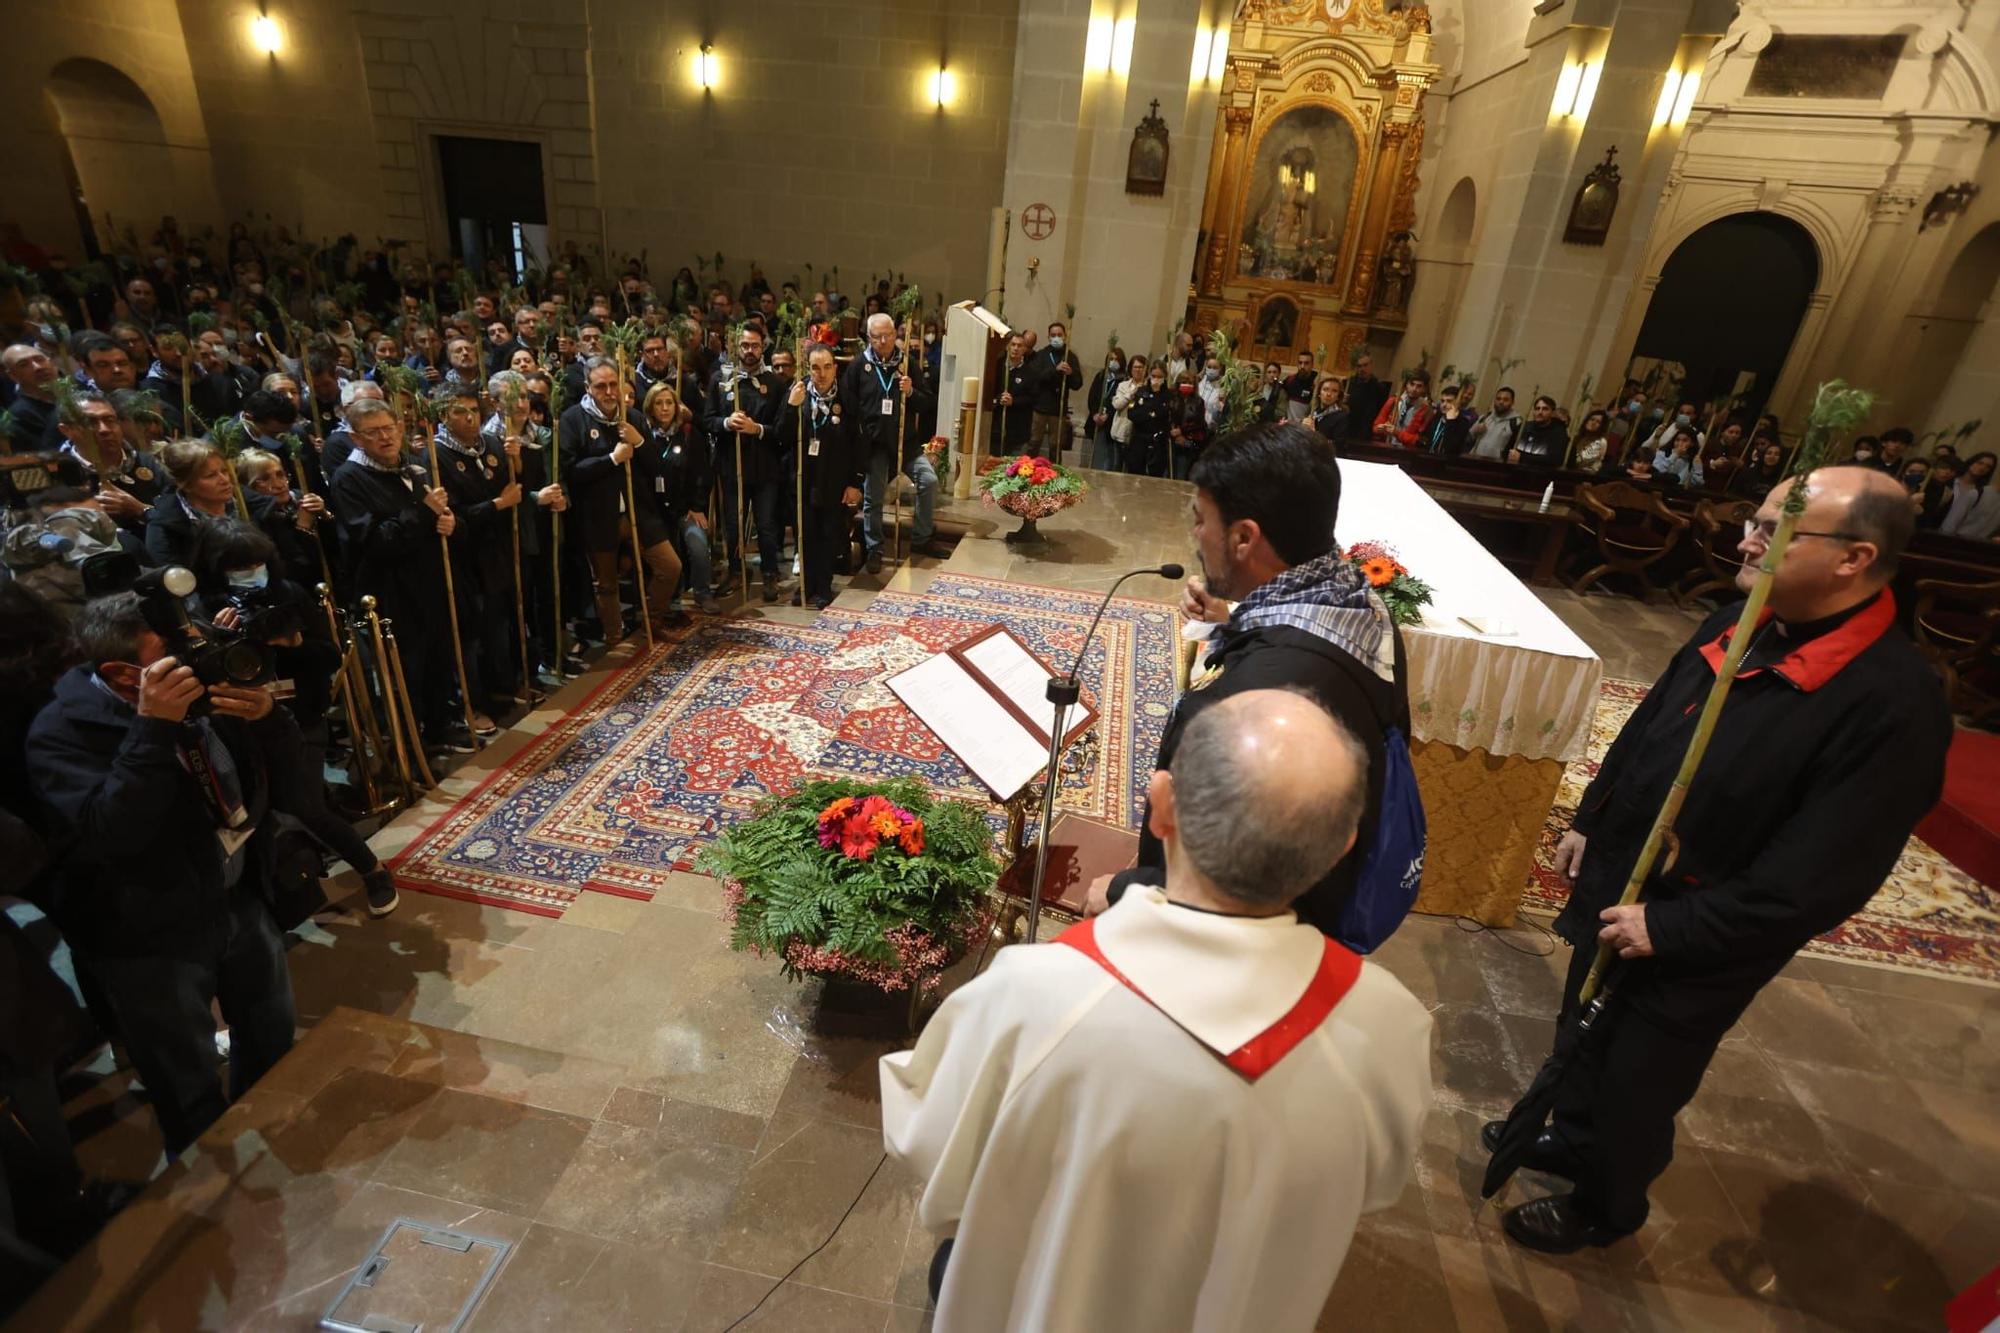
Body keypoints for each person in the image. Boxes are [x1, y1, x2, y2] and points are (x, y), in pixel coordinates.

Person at [1497, 466, 1949, 1254]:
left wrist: (1678, 926)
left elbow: (1826, 872)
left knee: (1641, 1073)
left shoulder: (1894, 703)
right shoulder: (1740, 616)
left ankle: (1607, 1202)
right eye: (1757, 517)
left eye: (1776, 529)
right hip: (1628, 883)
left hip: (1701, 932)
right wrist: (1594, 816)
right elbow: (1651, 726)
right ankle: (1569, 1136)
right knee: (1584, 1025)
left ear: (1854, 557)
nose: (1745, 537)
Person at [884, 688, 1432, 1330]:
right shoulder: (1389, 1026)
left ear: (1161, 808)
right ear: (1344, 846)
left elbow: (930, 1146)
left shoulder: (1031, 995)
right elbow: (1375, 1185)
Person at [1091, 422, 1406, 942]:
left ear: (1243, 537)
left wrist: (1124, 891)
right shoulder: (1360, 604)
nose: (1195, 537)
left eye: (1200, 521)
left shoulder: (1247, 707)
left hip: (1242, 939)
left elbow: (1213, 872)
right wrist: (1232, 618)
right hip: (1328, 893)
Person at [25, 593, 304, 1159]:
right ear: (126, 675)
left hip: (234, 894)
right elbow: (112, 832)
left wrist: (269, 719)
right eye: (173, 653)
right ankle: (217, 1195)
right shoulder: (59, 732)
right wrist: (154, 728)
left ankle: (274, 1143)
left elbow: (287, 782)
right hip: (148, 934)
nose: (195, 657)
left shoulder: (204, 691)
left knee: (273, 1037)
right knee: (186, 1079)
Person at [328, 397, 471, 754]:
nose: (385, 437)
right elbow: (373, 540)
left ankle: (441, 727)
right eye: (373, 432)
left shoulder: (412, 465)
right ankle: (412, 741)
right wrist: (423, 513)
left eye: (389, 428)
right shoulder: (348, 479)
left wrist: (450, 522)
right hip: (390, 591)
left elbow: (436, 514)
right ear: (357, 439)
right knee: (407, 669)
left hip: (430, 581)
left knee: (439, 659)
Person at [564, 358, 687, 633]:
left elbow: (656, 465)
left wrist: (639, 441)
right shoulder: (573, 419)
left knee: (670, 566)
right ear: (588, 388)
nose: (609, 392)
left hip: (638, 511)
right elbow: (570, 471)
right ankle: (614, 638)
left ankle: (651, 620)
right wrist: (612, 458)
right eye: (600, 386)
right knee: (606, 584)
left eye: (613, 385)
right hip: (598, 516)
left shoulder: (632, 417)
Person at [430, 383, 523, 722]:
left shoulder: (492, 443)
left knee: (500, 626)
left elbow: (513, 486)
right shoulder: (435, 454)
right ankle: (473, 702)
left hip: (495, 552)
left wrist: (516, 463)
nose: (469, 418)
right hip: (463, 558)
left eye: (474, 411)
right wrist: (497, 505)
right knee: (471, 635)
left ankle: (505, 687)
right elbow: (453, 514)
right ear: (444, 415)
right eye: (459, 412)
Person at [842, 314, 944, 575]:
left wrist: (910, 391)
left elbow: (927, 403)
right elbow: (848, 406)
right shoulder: (858, 366)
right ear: (869, 337)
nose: (884, 341)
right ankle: (875, 548)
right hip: (874, 445)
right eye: (877, 337)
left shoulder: (907, 364)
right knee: (873, 498)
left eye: (888, 335)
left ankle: (921, 538)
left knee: (929, 481)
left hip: (905, 441)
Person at [703, 326, 786, 598]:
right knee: (733, 523)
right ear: (736, 347)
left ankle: (770, 573)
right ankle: (736, 571)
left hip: (765, 468)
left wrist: (756, 429)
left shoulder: (774, 383)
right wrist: (726, 423)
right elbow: (708, 421)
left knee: (766, 524)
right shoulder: (721, 379)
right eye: (745, 346)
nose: (750, 351)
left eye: (755, 346)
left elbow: (781, 429)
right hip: (731, 465)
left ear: (763, 347)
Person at [781, 345, 864, 610]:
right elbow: (781, 436)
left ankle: (824, 586)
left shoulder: (848, 400)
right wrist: (790, 407)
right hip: (803, 476)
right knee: (804, 533)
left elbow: (858, 444)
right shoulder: (798, 395)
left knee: (827, 533)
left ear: (835, 368)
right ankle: (806, 584)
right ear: (808, 369)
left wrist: (855, 482)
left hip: (834, 477)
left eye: (827, 366)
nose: (822, 373)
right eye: (815, 367)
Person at [638, 382, 717, 616]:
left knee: (698, 545)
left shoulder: (688, 434)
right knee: (670, 558)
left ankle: (703, 592)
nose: (664, 408)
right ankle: (672, 600)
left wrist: (697, 506)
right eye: (659, 403)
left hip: (685, 508)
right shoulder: (644, 437)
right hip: (656, 511)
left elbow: (702, 472)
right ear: (650, 408)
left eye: (669, 403)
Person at [53, 389, 162, 542]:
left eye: (110, 420)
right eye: (90, 422)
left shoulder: (152, 463)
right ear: (66, 430)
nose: (104, 430)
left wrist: (140, 509)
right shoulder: (60, 479)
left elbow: (183, 518)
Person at [145, 439, 237, 569]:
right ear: (186, 485)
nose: (224, 480)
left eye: (224, 471)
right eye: (211, 476)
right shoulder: (165, 529)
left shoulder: (250, 505)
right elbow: (176, 583)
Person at [1027, 322, 1081, 457]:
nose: (1056, 338)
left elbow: (1077, 384)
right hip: (1040, 407)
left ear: (1065, 336)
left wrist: (1071, 373)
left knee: (1055, 445)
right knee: (1034, 442)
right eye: (1053, 335)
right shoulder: (1041, 355)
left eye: (1059, 335)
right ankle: (1027, 470)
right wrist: (1054, 370)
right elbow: (1035, 377)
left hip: (1058, 410)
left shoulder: (1070, 356)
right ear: (1049, 337)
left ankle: (1054, 473)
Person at [1125, 362, 1172, 478]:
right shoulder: (1141, 392)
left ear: (1165, 377)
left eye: (1159, 377)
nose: (1156, 380)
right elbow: (1132, 414)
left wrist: (1155, 401)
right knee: (1134, 472)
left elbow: (1164, 414)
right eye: (1154, 376)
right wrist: (1150, 414)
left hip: (1158, 442)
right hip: (1140, 439)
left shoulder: (1168, 395)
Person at [1940, 450, 2000, 539]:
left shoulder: (1981, 492)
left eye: (1988, 467)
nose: (1982, 467)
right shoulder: (1949, 481)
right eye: (1980, 463)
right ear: (1972, 461)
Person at [990, 333, 1035, 453]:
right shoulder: (997, 366)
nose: (1016, 348)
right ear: (1007, 347)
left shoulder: (1030, 372)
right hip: (996, 427)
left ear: (1025, 349)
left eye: (1020, 346)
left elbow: (1032, 398)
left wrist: (1013, 401)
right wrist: (999, 398)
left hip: (1017, 428)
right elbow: (989, 391)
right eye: (1013, 344)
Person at [1084, 347, 1125, 472]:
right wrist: (1095, 413)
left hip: (1111, 423)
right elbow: (1092, 396)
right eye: (1111, 359)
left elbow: (1120, 401)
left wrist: (1108, 416)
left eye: (1116, 359)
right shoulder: (1101, 376)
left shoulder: (1123, 379)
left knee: (1108, 457)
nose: (1113, 362)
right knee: (1096, 454)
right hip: (1096, 420)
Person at [1371, 370, 1431, 449]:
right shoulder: (1393, 401)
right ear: (1406, 384)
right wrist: (1380, 428)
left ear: (1424, 389)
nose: (1414, 389)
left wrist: (1397, 433)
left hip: (1406, 452)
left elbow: (1418, 440)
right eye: (1412, 384)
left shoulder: (1426, 410)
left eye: (1419, 386)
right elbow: (1375, 426)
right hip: (1385, 447)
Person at [1167, 370, 1209, 480]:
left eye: (1190, 382)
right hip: (1170, 441)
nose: (1187, 384)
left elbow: (1199, 422)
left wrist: (1182, 431)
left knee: (1181, 475)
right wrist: (1173, 432)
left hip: (1187, 442)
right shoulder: (1172, 398)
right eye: (1184, 381)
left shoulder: (1198, 402)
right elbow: (1168, 417)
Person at [1510, 395, 1568, 468]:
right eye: (1537, 409)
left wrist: (1522, 457)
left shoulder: (1558, 432)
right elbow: (1508, 450)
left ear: (1552, 413)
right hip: (1515, 472)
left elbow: (1554, 460)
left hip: (1541, 475)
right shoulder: (1523, 427)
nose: (1540, 412)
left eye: (1545, 409)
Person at [1343, 353, 1388, 446]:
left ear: (1371, 365)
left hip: (1366, 430)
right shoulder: (1347, 384)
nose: (1362, 369)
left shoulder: (1380, 388)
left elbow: (1382, 411)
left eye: (1365, 365)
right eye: (1359, 366)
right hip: (1347, 428)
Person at [1465, 385, 1521, 460]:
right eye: (1498, 399)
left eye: (1506, 400)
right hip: (1474, 461)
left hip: (1496, 467)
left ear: (1512, 402)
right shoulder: (1484, 417)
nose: (1501, 402)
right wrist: (1474, 431)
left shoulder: (1517, 423)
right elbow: (1466, 440)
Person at [1419, 383, 1471, 456]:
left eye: (1449, 401)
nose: (1444, 405)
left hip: (1446, 463)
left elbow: (1450, 447)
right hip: (1428, 458)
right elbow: (1425, 439)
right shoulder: (1436, 417)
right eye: (1442, 401)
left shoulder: (1463, 423)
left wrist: (1450, 422)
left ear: (1458, 402)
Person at [1915, 454, 1959, 530]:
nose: (1947, 472)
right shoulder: (1917, 483)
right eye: (1944, 468)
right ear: (1934, 468)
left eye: (1952, 470)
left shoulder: (1948, 493)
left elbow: (1938, 520)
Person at [1309, 375, 1348, 448]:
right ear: (1319, 393)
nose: (1329, 394)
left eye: (1334, 391)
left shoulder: (1342, 416)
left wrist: (1314, 434)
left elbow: (1339, 445)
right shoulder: (1314, 411)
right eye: (1325, 389)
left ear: (1338, 396)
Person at [1570, 408, 1613, 472]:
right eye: (1592, 419)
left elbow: (1593, 462)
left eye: (1598, 422)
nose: (1593, 423)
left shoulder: (1601, 442)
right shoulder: (1580, 438)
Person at [1282, 350, 1317, 423]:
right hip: (1288, 424)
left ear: (1312, 365)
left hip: (1304, 426)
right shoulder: (1289, 380)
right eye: (1300, 363)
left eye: (1306, 363)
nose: (1302, 366)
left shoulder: (1316, 383)